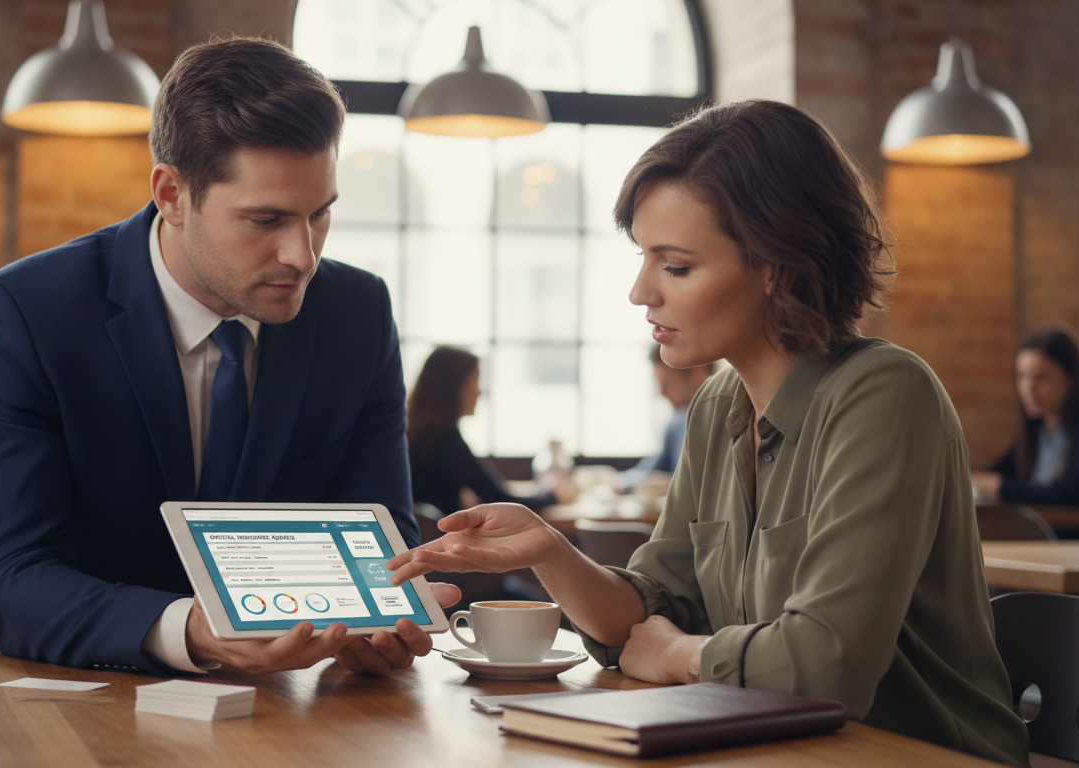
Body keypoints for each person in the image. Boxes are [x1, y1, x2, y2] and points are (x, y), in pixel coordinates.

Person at [388, 100, 1030, 766]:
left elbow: (824, 667)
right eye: (643, 258)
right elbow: (645, 615)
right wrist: (549, 552)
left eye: (676, 266)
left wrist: (680, 654)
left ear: (774, 264)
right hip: (775, 746)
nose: (641, 292)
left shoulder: (885, 395)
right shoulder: (716, 403)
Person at [0, 37, 458, 678]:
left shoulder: (357, 311)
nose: (303, 255)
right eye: (266, 220)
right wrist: (194, 632)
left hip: (273, 695)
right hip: (26, 677)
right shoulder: (24, 312)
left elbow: (380, 543)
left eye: (320, 214)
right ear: (172, 195)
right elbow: (12, 579)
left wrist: (381, 616)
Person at [971, 326, 1079, 537]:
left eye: (1041, 378)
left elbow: (1071, 497)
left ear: (1071, 379)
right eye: (1021, 377)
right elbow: (998, 472)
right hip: (1046, 543)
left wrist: (998, 486)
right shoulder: (1038, 429)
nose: (1028, 389)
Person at [407, 346, 577, 517]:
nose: (480, 392)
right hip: (443, 539)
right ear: (452, 387)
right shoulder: (444, 437)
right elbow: (500, 500)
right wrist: (555, 495)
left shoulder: (417, 432)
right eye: (474, 381)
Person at [619, 345, 714, 489]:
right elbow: (650, 470)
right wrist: (614, 481)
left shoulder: (723, 421)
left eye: (668, 384)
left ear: (698, 373)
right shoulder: (677, 422)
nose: (661, 393)